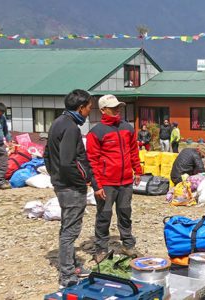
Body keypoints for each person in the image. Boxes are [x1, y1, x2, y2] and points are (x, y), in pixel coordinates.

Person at [44, 89, 96, 289]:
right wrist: (84, 179)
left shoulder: (57, 123)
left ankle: (72, 265)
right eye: (89, 108)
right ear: (80, 107)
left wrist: (54, 175)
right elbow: (68, 162)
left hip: (61, 182)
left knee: (67, 226)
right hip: (71, 186)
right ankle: (67, 275)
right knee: (70, 231)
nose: (89, 112)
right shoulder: (71, 128)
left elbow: (47, 154)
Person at [86, 94, 143, 260]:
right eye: (113, 108)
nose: (117, 110)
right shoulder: (96, 133)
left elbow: (134, 150)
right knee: (104, 215)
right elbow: (92, 161)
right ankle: (101, 249)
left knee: (125, 213)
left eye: (118, 107)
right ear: (103, 110)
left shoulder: (127, 128)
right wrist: (97, 185)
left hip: (125, 181)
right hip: (106, 183)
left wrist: (137, 170)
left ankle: (128, 245)